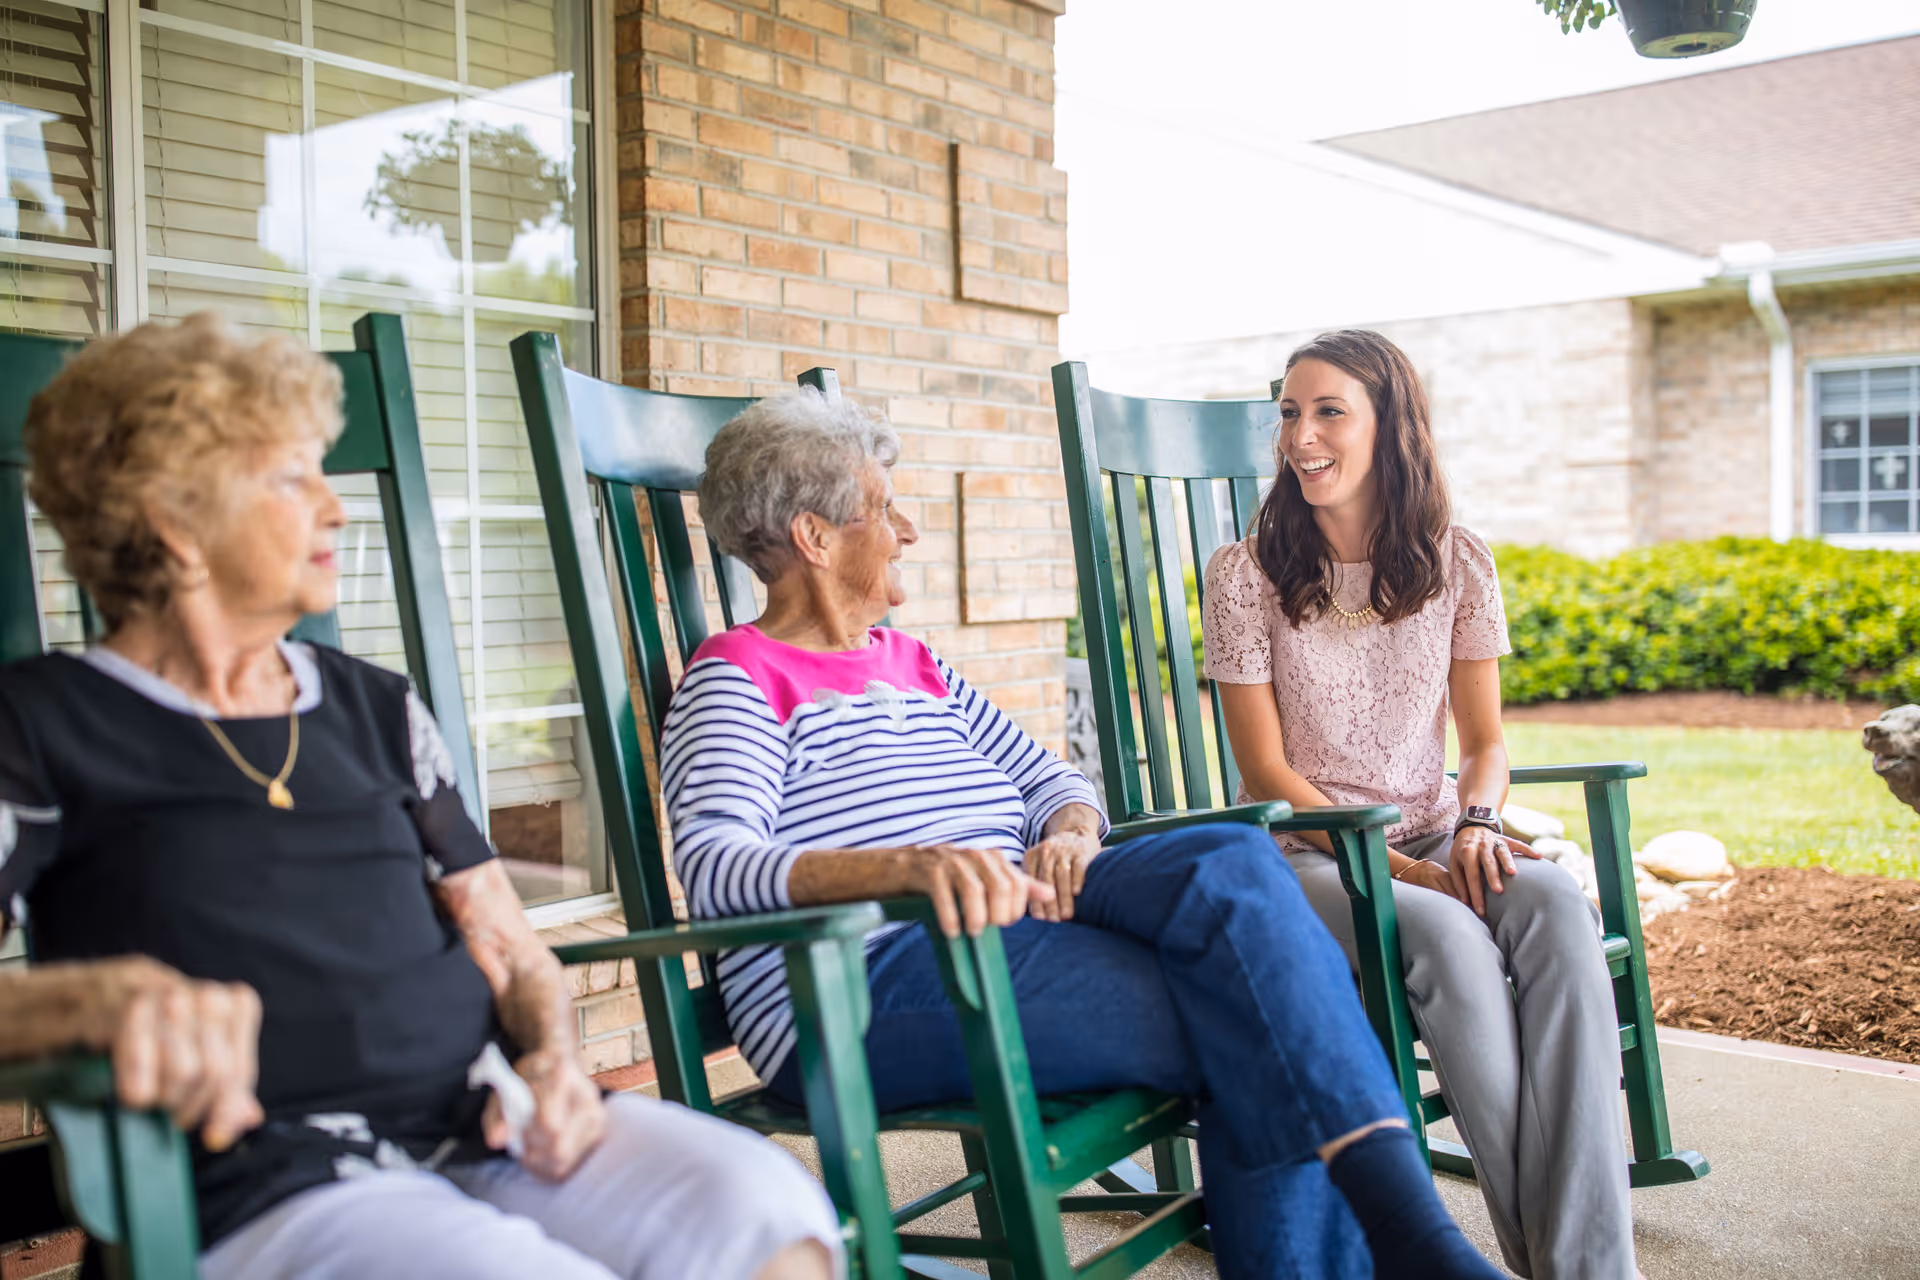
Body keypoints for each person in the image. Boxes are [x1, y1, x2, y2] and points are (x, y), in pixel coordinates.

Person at [0, 314, 841, 1280]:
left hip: (483, 1117)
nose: (335, 510)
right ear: (173, 522)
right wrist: (84, 1003)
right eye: (290, 479)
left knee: (767, 1211)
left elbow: (507, 942)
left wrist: (554, 1065)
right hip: (270, 1179)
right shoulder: (38, 728)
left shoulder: (375, 707)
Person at [658, 388, 1507, 1280]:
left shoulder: (915, 664)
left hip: (1016, 920)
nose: (906, 530)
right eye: (882, 507)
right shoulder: (734, 680)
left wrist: (1068, 829)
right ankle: (1422, 1244)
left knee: (1233, 858)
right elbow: (718, 867)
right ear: (814, 538)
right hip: (861, 982)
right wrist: (911, 867)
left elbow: (1052, 778)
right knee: (1269, 1003)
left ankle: (1417, 1248)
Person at [1201, 328, 1637, 1280]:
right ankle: (1569, 1262)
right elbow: (1266, 771)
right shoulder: (1245, 575)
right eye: (1288, 414)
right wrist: (1404, 869)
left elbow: (1483, 746)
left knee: (1557, 904)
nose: (1299, 437)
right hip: (1306, 851)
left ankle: (1588, 1265)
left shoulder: (1457, 562)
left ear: (1391, 425)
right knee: (1445, 936)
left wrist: (1476, 827)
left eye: (1327, 412)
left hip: (1439, 828)